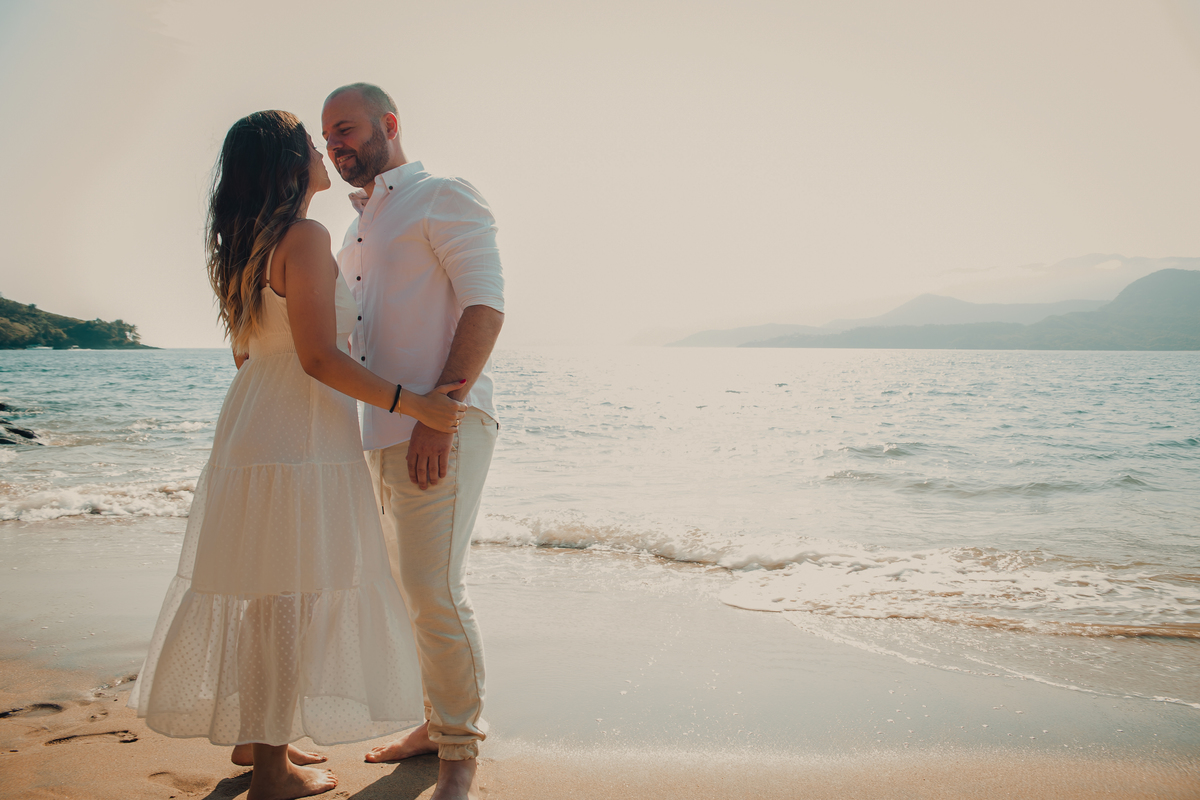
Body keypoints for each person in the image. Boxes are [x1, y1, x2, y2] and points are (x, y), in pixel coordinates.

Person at [129, 109, 469, 800]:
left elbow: (247, 352)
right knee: (291, 597)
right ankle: (273, 774)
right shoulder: (306, 237)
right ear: (288, 164)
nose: (323, 151)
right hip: (301, 435)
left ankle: (259, 739)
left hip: (256, 422)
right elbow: (317, 358)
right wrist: (415, 404)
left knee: (268, 593)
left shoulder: (242, 244)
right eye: (311, 144)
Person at [320, 83, 505, 800]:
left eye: (345, 128)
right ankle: (434, 725)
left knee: (434, 589)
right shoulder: (356, 230)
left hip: (442, 423)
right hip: (379, 429)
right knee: (407, 592)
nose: (334, 144)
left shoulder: (441, 195)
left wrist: (440, 413)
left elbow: (486, 304)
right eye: (327, 136)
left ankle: (460, 751)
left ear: (388, 124)